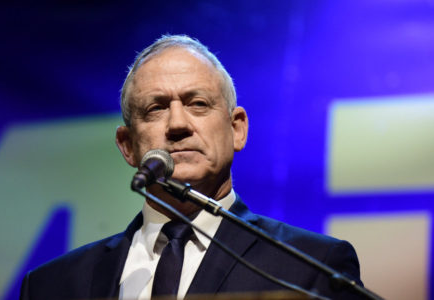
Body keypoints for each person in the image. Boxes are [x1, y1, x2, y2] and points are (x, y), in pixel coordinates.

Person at [20, 35, 363, 300]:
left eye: (197, 104)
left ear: (237, 129)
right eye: (155, 109)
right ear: (127, 145)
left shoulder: (314, 267)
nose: (177, 124)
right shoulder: (52, 286)